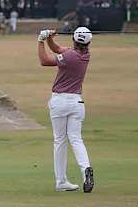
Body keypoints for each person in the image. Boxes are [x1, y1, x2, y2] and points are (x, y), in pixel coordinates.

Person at [37, 27, 95, 193]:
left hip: (60, 101)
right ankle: (86, 171)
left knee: (60, 140)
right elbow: (56, 49)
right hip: (77, 103)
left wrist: (40, 40)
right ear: (88, 42)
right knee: (76, 139)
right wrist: (49, 38)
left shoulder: (70, 56)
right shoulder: (84, 55)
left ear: (74, 40)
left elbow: (44, 60)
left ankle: (61, 181)